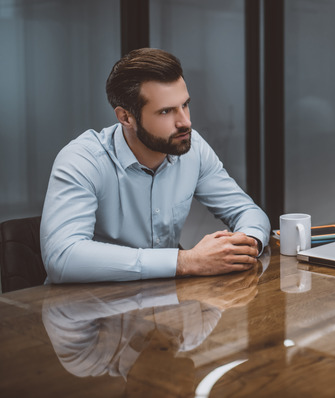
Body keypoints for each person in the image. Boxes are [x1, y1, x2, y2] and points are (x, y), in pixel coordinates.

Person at [41, 48, 270, 283]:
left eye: (185, 105)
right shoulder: (83, 160)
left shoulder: (193, 148)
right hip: (85, 310)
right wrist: (185, 261)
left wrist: (245, 244)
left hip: (164, 305)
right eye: (165, 111)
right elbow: (62, 258)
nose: (185, 122)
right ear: (126, 118)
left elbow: (247, 212)